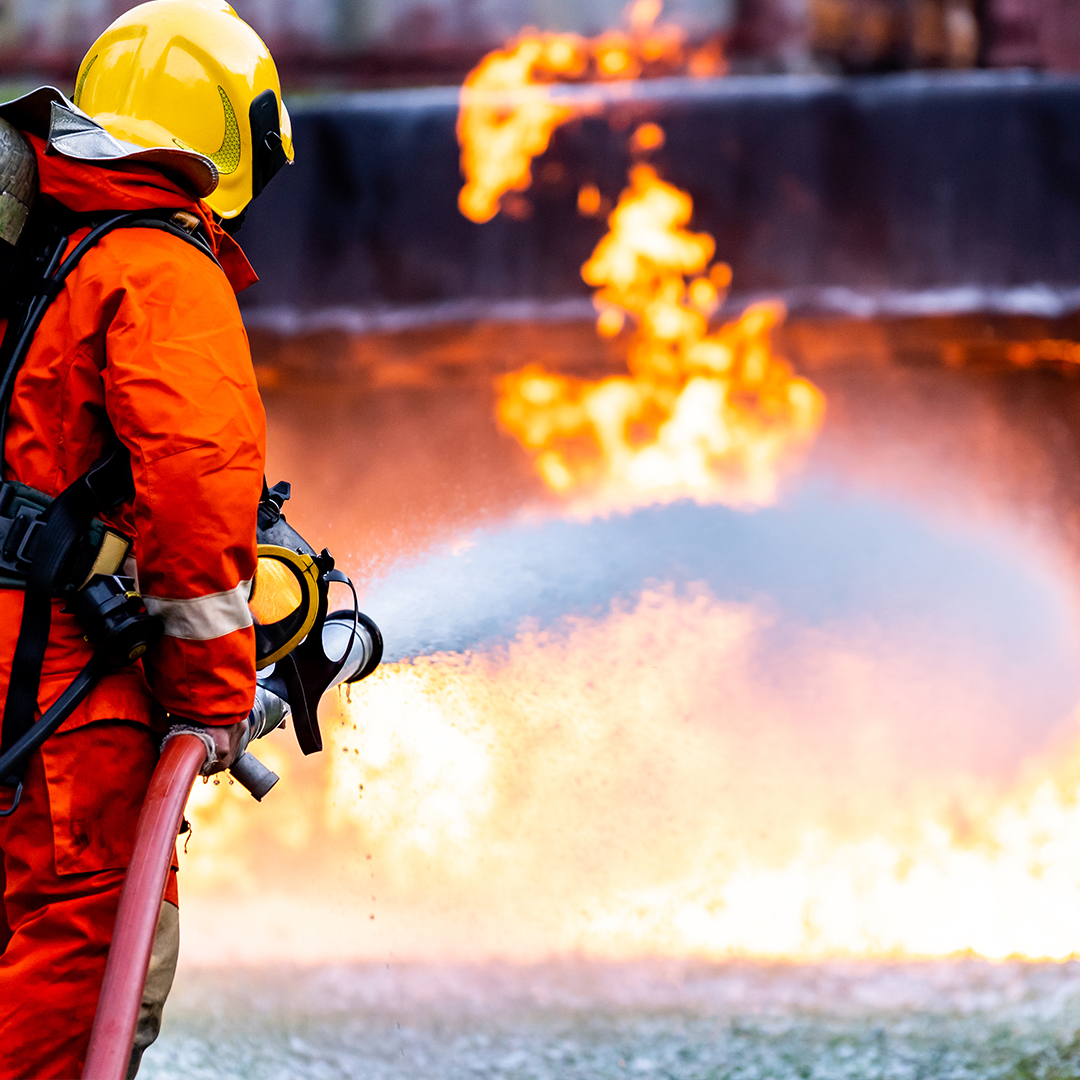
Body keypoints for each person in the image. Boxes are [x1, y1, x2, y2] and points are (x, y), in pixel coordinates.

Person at [0, 2, 293, 1076]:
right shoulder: (158, 265)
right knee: (85, 958)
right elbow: (195, 481)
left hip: (21, 659)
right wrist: (214, 701)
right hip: (60, 685)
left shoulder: (36, 248)